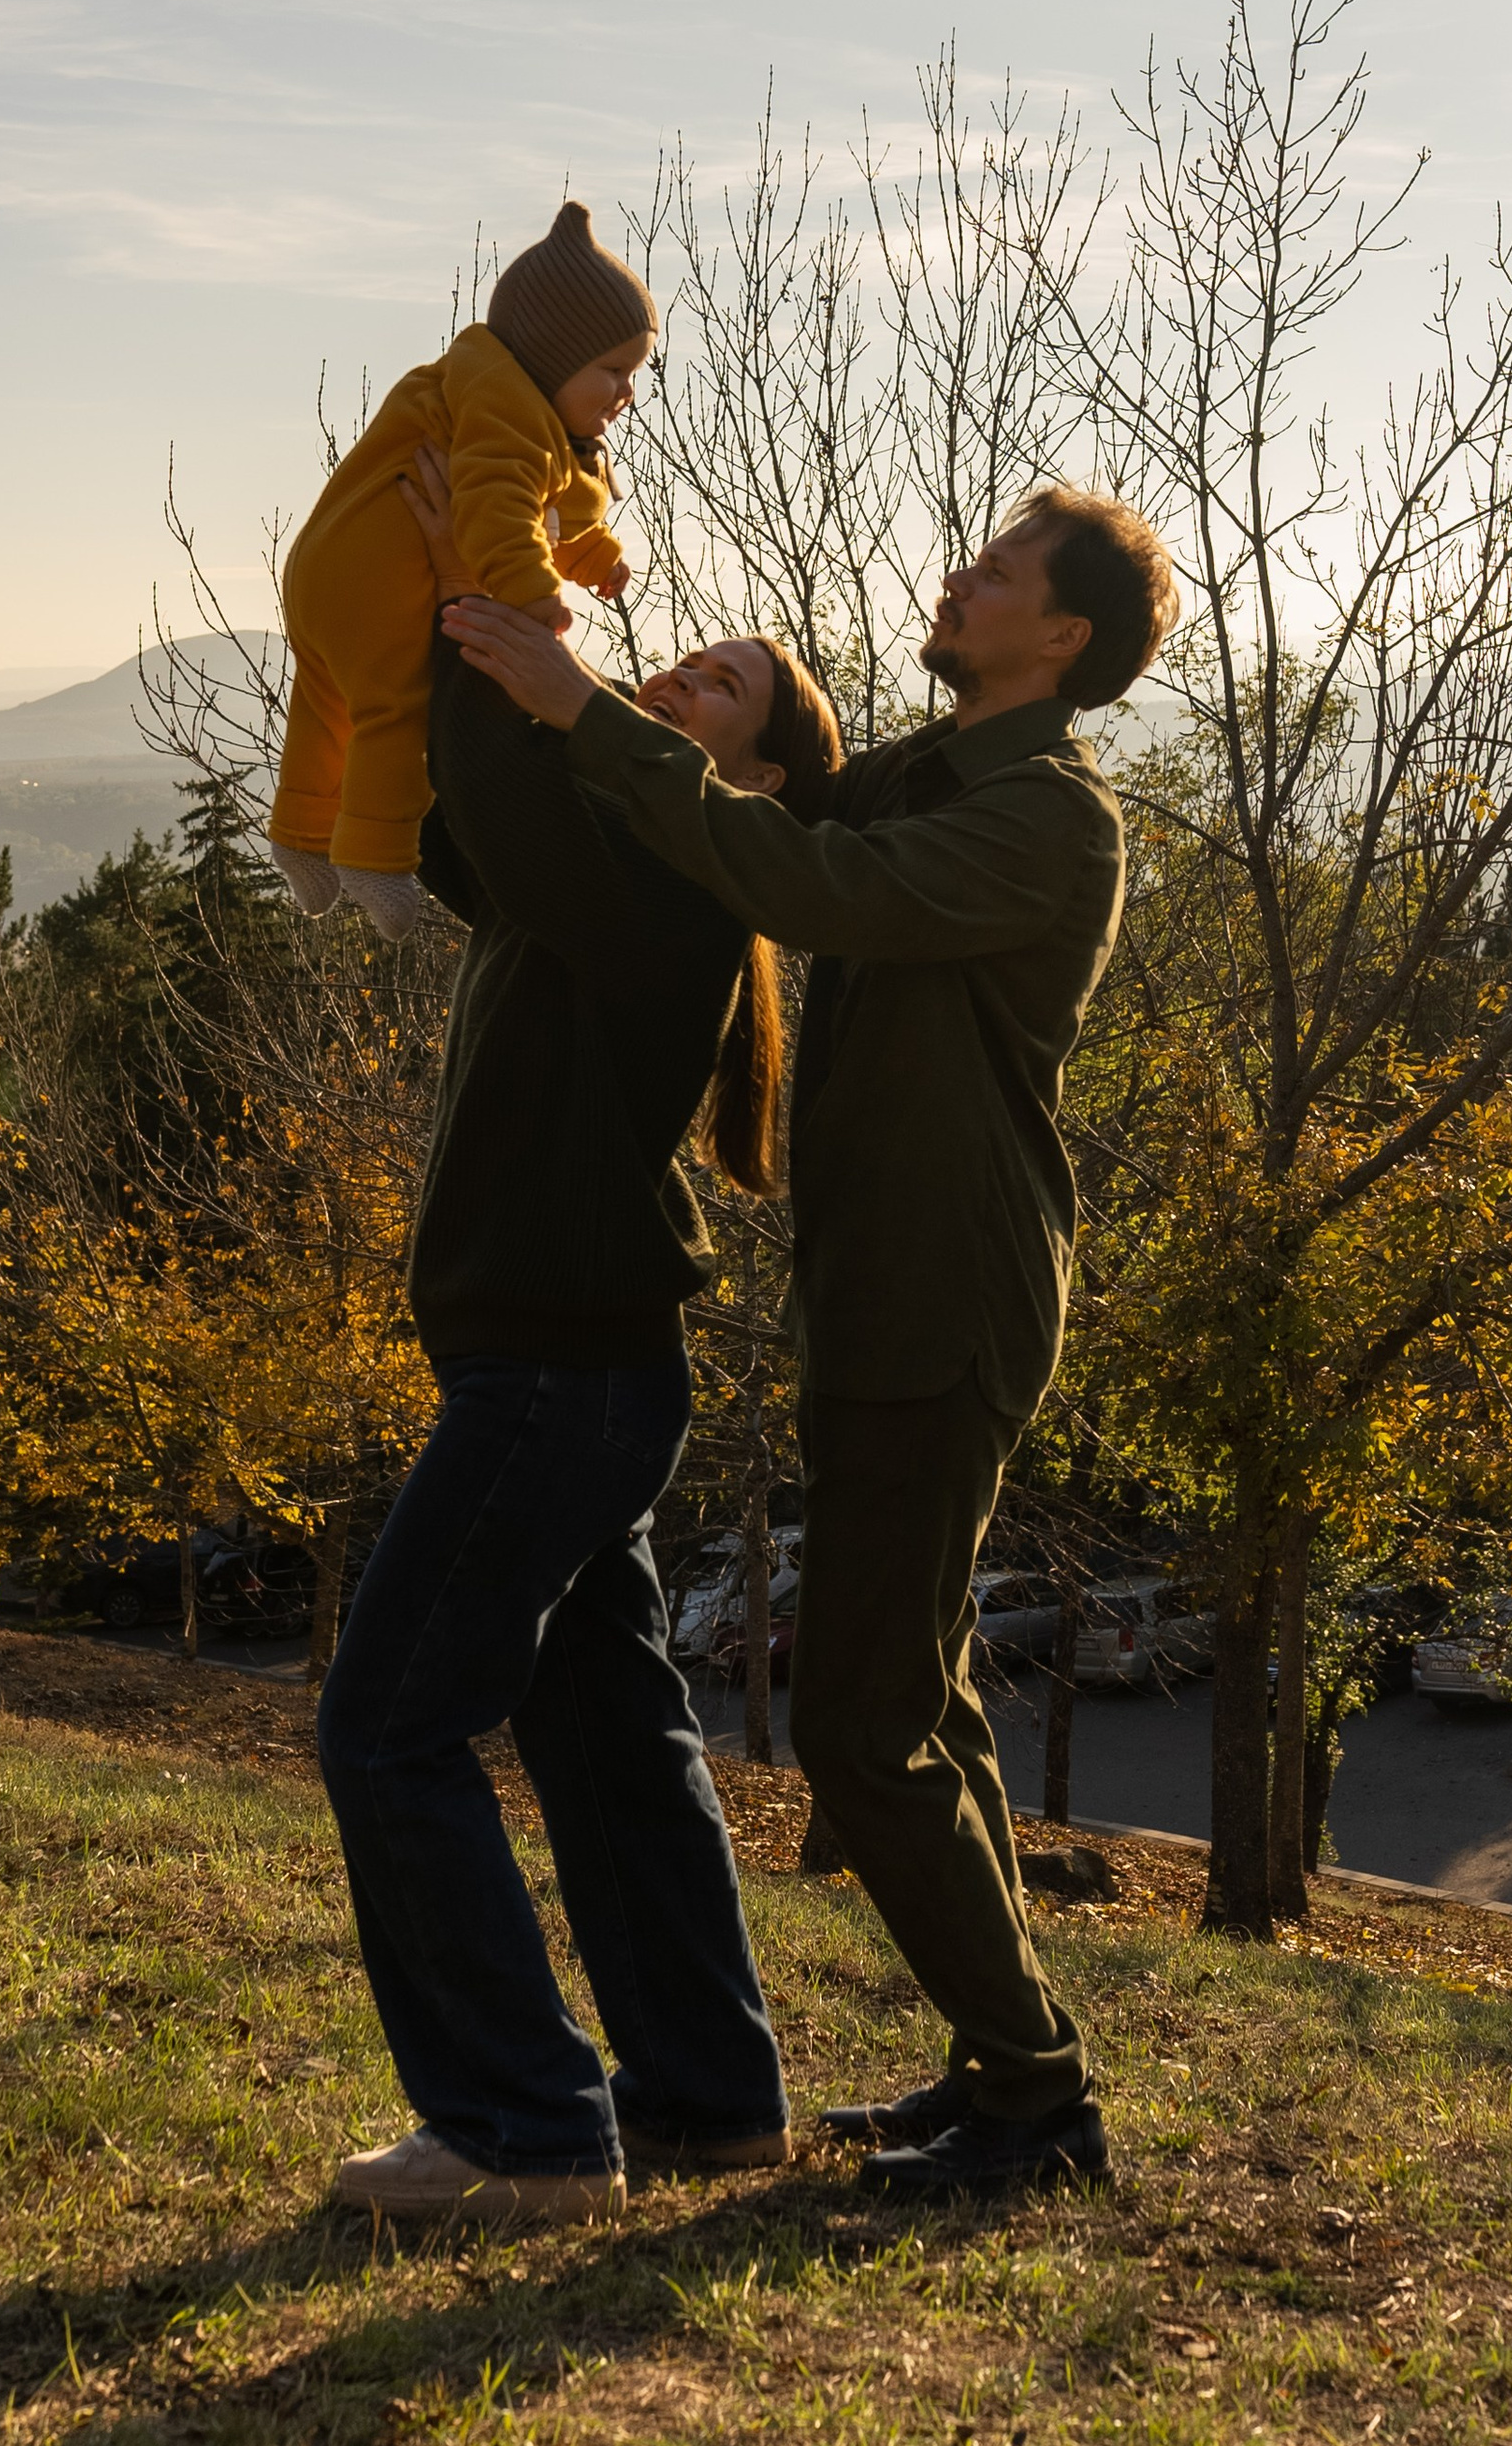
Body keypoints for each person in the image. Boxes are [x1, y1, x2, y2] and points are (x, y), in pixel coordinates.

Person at [445, 485, 1179, 2197]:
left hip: (945, 1300)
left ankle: (1040, 2102)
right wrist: (674, 692)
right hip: (888, 1294)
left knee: (859, 1728)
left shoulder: (1050, 818)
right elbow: (784, 799)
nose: (964, 571)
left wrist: (585, 719)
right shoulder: (942, 768)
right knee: (922, 1697)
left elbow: (802, 874)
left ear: (1060, 638)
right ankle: (1008, 2068)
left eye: (1000, 570)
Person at [316, 505, 843, 2235]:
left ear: (754, 781)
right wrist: (430, 616)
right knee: (613, 1735)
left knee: (389, 1725)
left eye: (726, 687)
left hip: (557, 1375)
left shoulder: (679, 884)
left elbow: (521, 796)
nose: (682, 672)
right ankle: (708, 2094)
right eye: (693, 657)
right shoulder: (615, 869)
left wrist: (500, 614)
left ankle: (524, 2124)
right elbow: (470, 821)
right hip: (577, 1371)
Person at [266, 199, 653, 939]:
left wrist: (591, 554)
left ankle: (300, 833)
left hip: (324, 570)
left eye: (635, 372)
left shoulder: (493, 402)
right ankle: (374, 856)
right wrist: (533, 597)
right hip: (383, 580)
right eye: (613, 369)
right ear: (554, 353)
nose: (627, 392)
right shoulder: (507, 411)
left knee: (323, 707)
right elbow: (497, 512)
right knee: (395, 709)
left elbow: (549, 510)